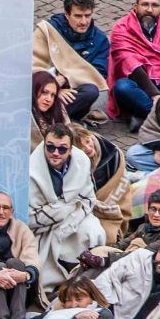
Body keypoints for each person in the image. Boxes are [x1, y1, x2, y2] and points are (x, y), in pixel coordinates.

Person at [29, 125, 105, 300]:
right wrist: (60, 211)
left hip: (76, 215)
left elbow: (88, 198)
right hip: (44, 227)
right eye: (50, 147)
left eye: (62, 149)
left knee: (93, 232)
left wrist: (72, 216)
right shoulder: (31, 169)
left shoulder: (82, 162)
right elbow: (29, 216)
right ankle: (52, 289)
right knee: (42, 256)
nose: (55, 153)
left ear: (70, 149)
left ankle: (85, 279)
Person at [33, 0, 109, 121]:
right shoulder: (47, 31)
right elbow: (33, 64)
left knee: (91, 91)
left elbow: (98, 74)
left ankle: (51, 117)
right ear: (67, 14)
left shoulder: (100, 39)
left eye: (87, 15)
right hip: (44, 89)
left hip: (72, 92)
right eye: (78, 16)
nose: (84, 22)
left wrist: (67, 80)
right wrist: (53, 88)